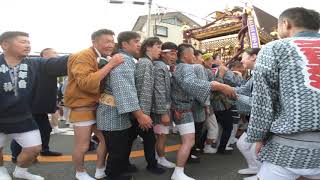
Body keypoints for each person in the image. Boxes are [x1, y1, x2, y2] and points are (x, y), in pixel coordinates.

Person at [246, 7, 320, 180]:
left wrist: (259, 137)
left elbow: (263, 100)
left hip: (287, 148)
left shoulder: (275, 48)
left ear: (286, 24)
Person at [0, 31, 68, 180]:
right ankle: (1, 170)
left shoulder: (35, 63)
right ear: (5, 44)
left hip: (24, 117)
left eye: (28, 42)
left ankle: (21, 171)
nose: (28, 45)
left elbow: (58, 63)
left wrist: (85, 56)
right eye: (23, 42)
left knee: (34, 148)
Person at [170, 43, 236, 180]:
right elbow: (191, 83)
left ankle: (179, 171)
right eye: (193, 54)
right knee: (188, 142)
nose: (194, 57)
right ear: (186, 55)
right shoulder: (187, 67)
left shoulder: (179, 67)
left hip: (180, 108)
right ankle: (178, 172)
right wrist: (218, 85)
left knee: (189, 141)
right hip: (182, 109)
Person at [64, 29, 124, 180]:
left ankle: (100, 169)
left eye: (112, 41)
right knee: (83, 145)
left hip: (96, 106)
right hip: (82, 107)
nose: (110, 45)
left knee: (105, 140)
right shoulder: (83, 55)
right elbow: (85, 82)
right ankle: (80, 172)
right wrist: (110, 65)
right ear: (94, 42)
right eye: (106, 41)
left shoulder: (101, 56)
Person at [96, 31, 152, 180]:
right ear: (124, 44)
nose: (139, 44)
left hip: (114, 111)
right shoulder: (124, 60)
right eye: (136, 41)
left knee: (120, 147)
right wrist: (140, 115)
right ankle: (113, 176)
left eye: (139, 40)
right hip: (112, 113)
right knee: (117, 150)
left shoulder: (124, 59)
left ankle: (119, 170)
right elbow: (125, 90)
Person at [129, 37, 165, 174]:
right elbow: (143, 89)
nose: (160, 51)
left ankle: (124, 164)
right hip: (141, 112)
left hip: (138, 110)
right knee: (149, 139)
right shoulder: (146, 63)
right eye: (158, 47)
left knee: (130, 139)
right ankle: (152, 165)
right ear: (148, 47)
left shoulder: (145, 62)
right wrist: (142, 115)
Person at [152, 42, 178, 169]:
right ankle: (161, 158)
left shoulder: (163, 66)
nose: (174, 57)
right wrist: (163, 113)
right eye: (172, 54)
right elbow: (159, 91)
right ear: (163, 53)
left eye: (176, 54)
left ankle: (158, 157)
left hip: (162, 108)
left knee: (160, 135)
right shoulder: (160, 67)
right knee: (162, 135)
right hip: (161, 109)